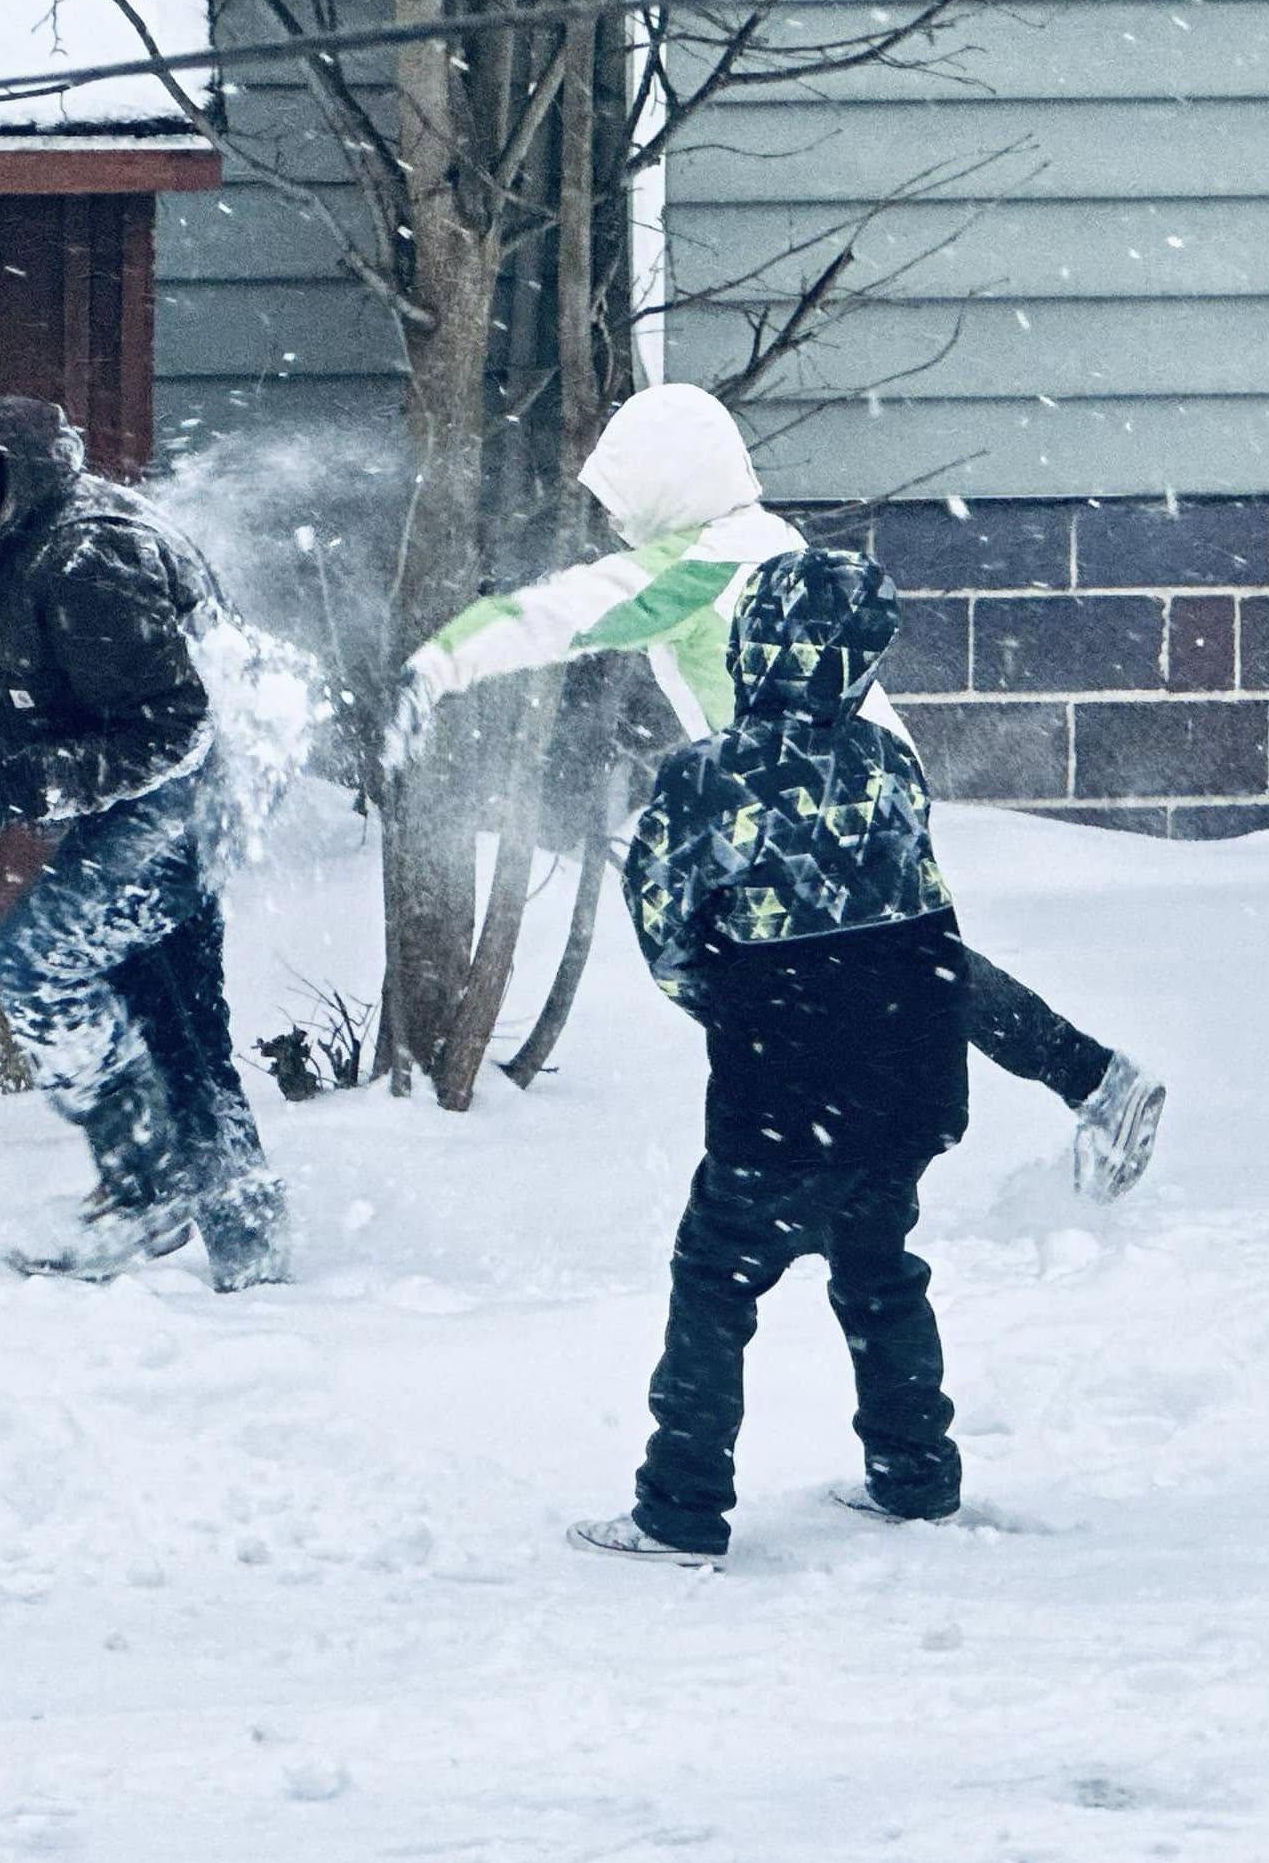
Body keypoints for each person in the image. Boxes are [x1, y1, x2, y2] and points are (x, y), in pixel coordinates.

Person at [384, 384, 1164, 1200]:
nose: (615, 521)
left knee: (793, 969)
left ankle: (819, 1171)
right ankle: (1088, 1082)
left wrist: (439, 665)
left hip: (798, 813)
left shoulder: (693, 569)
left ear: (674, 484)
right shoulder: (772, 541)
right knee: (905, 964)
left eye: (626, 497)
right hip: (876, 784)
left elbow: (563, 613)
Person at [568, 546, 971, 1564]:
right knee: (879, 1271)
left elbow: (665, 933)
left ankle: (680, 1505)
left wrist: (748, 1008)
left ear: (752, 643)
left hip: (783, 1090)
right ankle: (912, 1473)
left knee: (714, 1280)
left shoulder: (706, 777)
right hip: (903, 1080)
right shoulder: (887, 761)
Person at [0, 388, 307, 1286]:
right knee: (173, 1016)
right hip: (121, 783)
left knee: (36, 960)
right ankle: (250, 1251)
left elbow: (175, 734)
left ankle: (149, 1182)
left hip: (202, 783)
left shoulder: (88, 556)